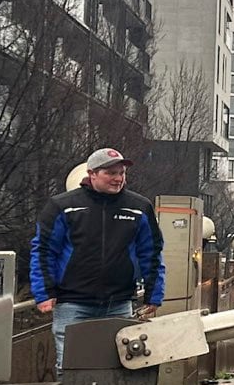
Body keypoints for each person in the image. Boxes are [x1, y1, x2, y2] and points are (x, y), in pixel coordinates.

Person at [33, 148, 166, 372]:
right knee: (70, 366)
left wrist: (154, 294)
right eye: (110, 173)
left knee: (120, 365)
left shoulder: (139, 207)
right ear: (91, 173)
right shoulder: (62, 206)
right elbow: (44, 251)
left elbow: (151, 253)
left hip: (119, 302)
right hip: (72, 302)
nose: (118, 178)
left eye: (122, 173)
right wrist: (44, 292)